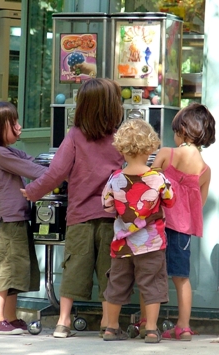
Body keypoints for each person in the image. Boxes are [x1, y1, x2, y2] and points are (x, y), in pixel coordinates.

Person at [20, 78, 125, 338]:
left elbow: (56, 173)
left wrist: (32, 191)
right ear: (112, 107)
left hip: (79, 215)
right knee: (111, 270)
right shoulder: (119, 138)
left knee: (74, 266)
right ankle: (109, 324)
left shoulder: (75, 135)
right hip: (114, 216)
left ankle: (63, 322)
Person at [0, 101, 48, 335]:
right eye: (13, 123)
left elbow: (34, 161)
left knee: (15, 269)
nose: (20, 127)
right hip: (5, 221)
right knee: (4, 268)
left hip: (16, 218)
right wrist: (63, 173)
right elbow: (37, 171)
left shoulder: (10, 151)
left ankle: (11, 317)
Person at [101, 118, 176, 343]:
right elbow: (170, 201)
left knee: (117, 283)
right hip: (151, 243)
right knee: (152, 283)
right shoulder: (158, 178)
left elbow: (106, 205)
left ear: (121, 149)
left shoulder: (115, 179)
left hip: (122, 243)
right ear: (151, 148)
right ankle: (151, 329)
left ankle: (111, 327)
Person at [151, 103, 216, 340]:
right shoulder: (205, 170)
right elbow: (199, 205)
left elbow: (146, 186)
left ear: (183, 131)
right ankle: (184, 326)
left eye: (176, 130)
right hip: (182, 231)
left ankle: (147, 324)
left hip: (155, 225)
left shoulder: (166, 154)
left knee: (150, 274)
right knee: (182, 278)